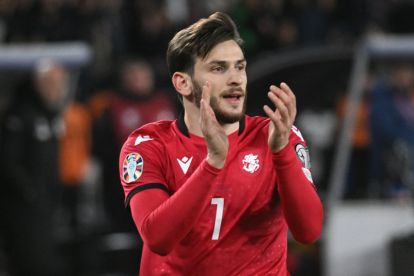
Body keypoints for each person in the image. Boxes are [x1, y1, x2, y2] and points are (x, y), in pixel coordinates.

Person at [119, 12, 323, 275]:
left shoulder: (275, 135)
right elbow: (157, 237)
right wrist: (212, 163)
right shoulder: (148, 145)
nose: (236, 78)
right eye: (218, 68)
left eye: (240, 66)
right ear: (183, 82)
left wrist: (282, 153)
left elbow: (309, 231)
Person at [0, 60, 68, 275]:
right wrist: (28, 191)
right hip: (23, 203)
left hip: (45, 200)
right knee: (29, 258)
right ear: (37, 83)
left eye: (59, 84)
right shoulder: (20, 114)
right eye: (50, 83)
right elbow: (8, 159)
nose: (56, 90)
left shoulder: (49, 115)